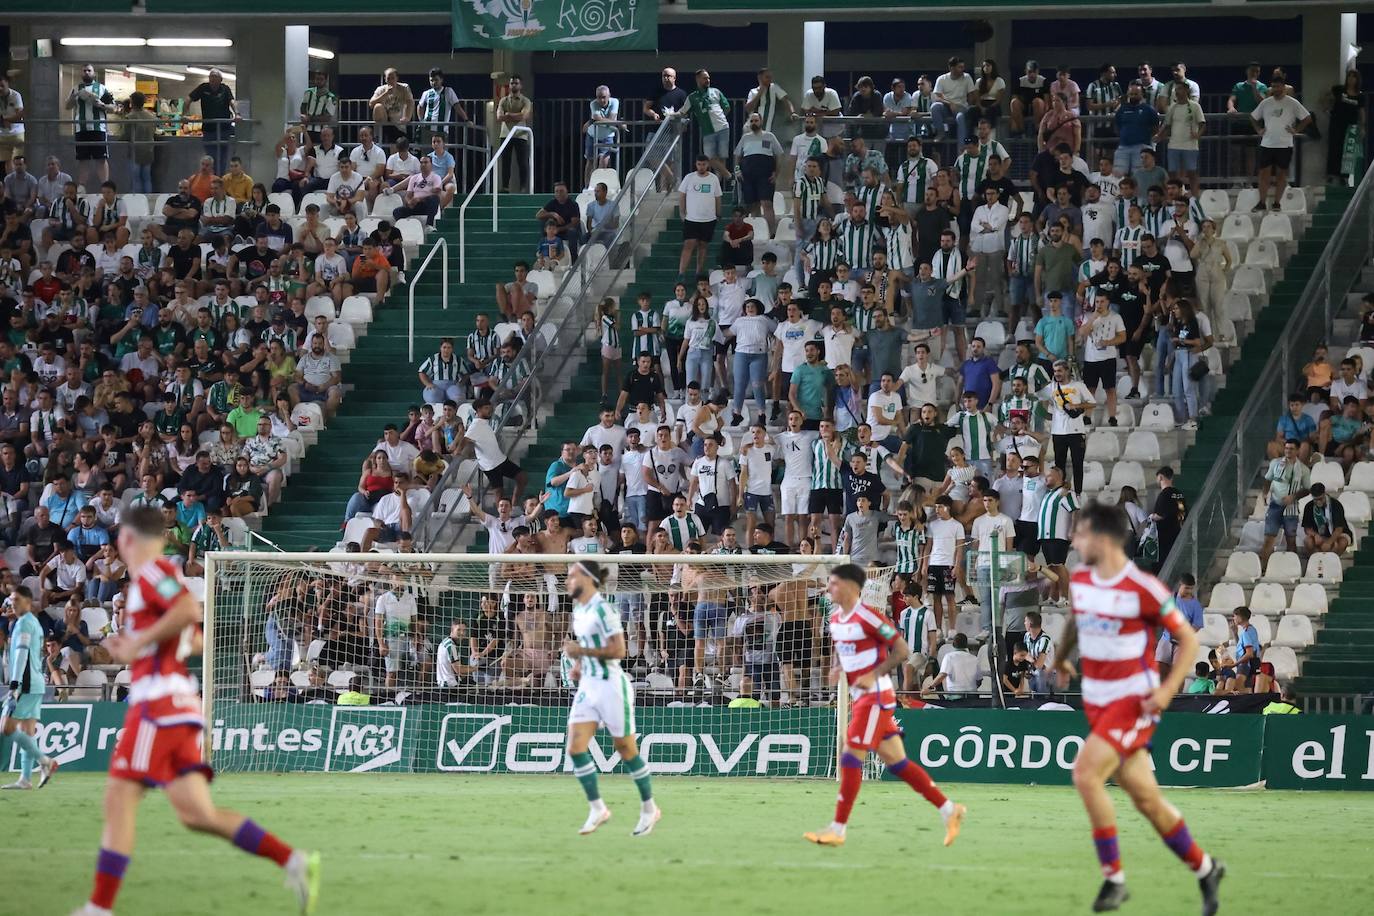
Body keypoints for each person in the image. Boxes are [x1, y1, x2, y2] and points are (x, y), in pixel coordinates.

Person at [72, 507, 319, 915]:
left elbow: (188, 612)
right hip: (180, 705)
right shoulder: (157, 579)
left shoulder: (149, 573)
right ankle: (292, 860)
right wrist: (152, 642)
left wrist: (138, 644)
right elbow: (196, 637)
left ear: (127, 540)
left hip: (158, 704)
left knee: (118, 800)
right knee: (196, 814)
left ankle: (98, 909)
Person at [1053, 503, 1224, 914]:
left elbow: (1189, 640)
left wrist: (1166, 692)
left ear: (1102, 537)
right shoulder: (1081, 579)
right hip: (1097, 700)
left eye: (1079, 534)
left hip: (1133, 702)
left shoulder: (1142, 587)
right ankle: (1205, 868)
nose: (1073, 542)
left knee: (1085, 773)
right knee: (1146, 799)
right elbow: (1078, 617)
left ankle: (1113, 879)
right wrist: (1061, 656)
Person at [803, 563, 964, 846]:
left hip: (876, 696)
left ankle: (838, 829)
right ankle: (950, 810)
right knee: (898, 764)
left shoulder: (869, 617)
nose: (829, 588)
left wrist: (873, 674)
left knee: (850, 756)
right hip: (861, 697)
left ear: (852, 587)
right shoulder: (836, 620)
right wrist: (839, 668)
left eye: (834, 583)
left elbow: (901, 650)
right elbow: (846, 652)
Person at [562, 559, 661, 836]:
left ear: (587, 578)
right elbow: (588, 648)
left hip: (610, 686)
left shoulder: (604, 609)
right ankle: (597, 808)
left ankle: (649, 808)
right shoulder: (579, 610)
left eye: (571, 576)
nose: (567, 581)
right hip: (588, 688)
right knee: (575, 749)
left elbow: (619, 651)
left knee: (626, 750)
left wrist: (581, 651)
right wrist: (578, 667)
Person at [1, 587, 59, 790]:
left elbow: (21, 655)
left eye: (17, 600)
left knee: (5, 727)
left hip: (24, 685)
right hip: (37, 683)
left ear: (27, 601)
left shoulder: (24, 623)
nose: (13, 604)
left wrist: (14, 686)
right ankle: (25, 779)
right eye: (11, 600)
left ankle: (45, 761)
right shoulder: (34, 622)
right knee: (27, 731)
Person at [1251, 71, 1312, 212]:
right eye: (1273, 87)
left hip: (1285, 144)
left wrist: (1296, 130)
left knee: (1281, 174)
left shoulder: (1292, 103)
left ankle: (1277, 202)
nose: (1276, 89)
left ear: (1284, 87)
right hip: (1267, 143)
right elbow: (1253, 117)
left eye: (1278, 87)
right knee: (1263, 173)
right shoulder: (1266, 103)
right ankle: (1262, 202)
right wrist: (1258, 130)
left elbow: (1307, 118)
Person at [678, 155, 723, 280]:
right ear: (695, 164)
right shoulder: (689, 178)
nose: (701, 167)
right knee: (688, 245)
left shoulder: (713, 179)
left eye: (703, 164)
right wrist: (682, 212)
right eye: (699, 164)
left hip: (708, 219)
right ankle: (681, 274)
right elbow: (682, 195)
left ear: (707, 164)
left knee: (703, 246)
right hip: (692, 219)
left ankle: (698, 272)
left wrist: (718, 213)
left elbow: (717, 197)